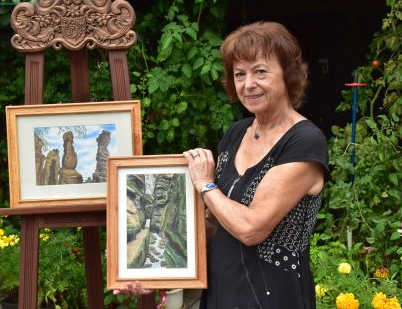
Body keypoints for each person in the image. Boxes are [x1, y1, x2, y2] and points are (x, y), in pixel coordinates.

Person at [115, 21, 329, 309]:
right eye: (239, 74)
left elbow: (251, 228)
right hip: (222, 293)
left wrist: (205, 183)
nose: (248, 83)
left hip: (273, 297)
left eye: (260, 72)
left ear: (288, 75)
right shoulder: (235, 133)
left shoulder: (304, 141)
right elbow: (215, 225)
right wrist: (152, 266)